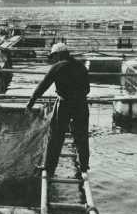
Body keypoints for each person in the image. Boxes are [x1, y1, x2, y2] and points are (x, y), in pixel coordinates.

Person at [26, 43, 90, 178]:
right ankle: (83, 166)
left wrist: (30, 103)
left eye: (53, 57)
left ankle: (49, 167)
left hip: (64, 103)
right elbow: (87, 89)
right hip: (81, 104)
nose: (53, 60)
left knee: (55, 135)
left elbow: (42, 87)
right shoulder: (81, 66)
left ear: (59, 55)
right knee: (82, 135)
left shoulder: (57, 67)